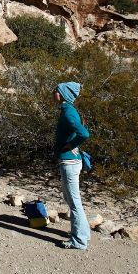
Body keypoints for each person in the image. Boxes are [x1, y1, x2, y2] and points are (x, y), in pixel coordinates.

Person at [53, 81, 91, 250]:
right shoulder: (67, 110)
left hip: (70, 162)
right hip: (69, 161)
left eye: (56, 90)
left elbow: (84, 133)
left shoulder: (68, 112)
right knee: (70, 199)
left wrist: (71, 146)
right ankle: (83, 233)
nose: (53, 92)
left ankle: (79, 240)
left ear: (63, 94)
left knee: (74, 202)